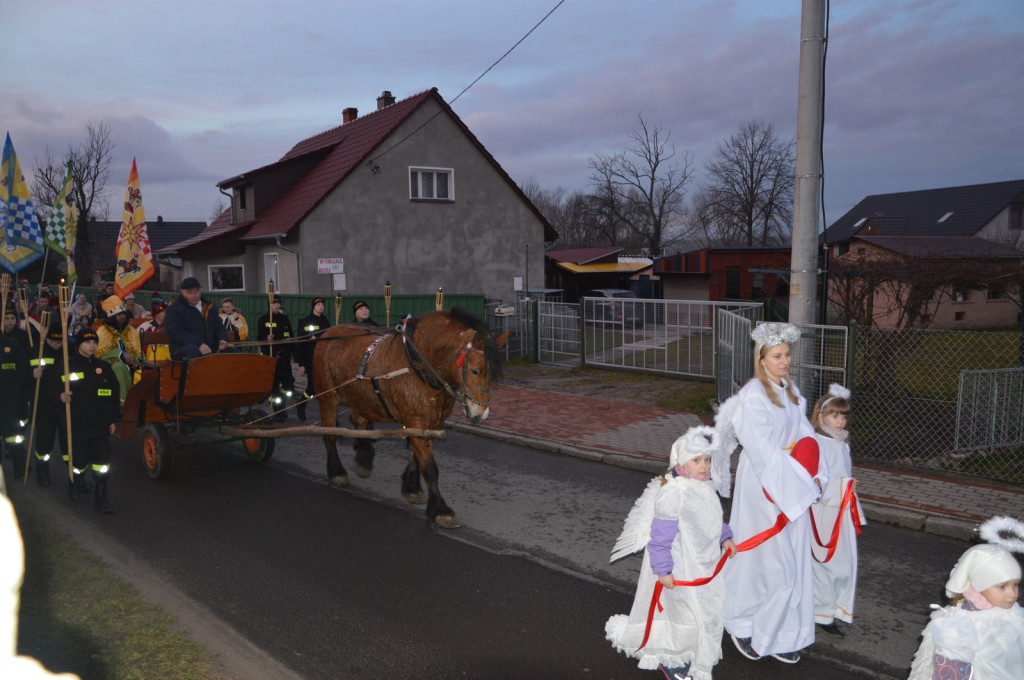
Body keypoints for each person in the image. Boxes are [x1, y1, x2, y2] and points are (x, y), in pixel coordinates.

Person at [719, 321, 828, 664]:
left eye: (787, 354)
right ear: (762, 359)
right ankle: (743, 624)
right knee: (765, 562)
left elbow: (807, 435)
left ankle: (779, 632)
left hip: (791, 480)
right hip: (765, 488)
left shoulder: (791, 392)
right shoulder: (752, 397)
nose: (785, 361)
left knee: (791, 563)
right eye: (777, 356)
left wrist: (816, 475)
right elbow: (763, 452)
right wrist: (795, 486)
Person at [606, 427, 737, 680]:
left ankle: (691, 648)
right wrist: (663, 570)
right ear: (681, 463)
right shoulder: (674, 492)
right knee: (682, 609)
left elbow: (712, 519)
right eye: (696, 460)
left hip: (702, 562)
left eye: (707, 460)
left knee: (702, 607)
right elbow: (659, 539)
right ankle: (670, 656)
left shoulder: (705, 486)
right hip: (679, 565)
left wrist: (725, 537)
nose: (704, 466)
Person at [908, 518, 1024, 679]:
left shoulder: (1012, 614)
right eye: (1002, 587)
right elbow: (950, 672)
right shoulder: (960, 627)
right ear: (980, 585)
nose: (1012, 594)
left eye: (1015, 585)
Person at [809, 383, 866, 637]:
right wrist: (843, 488)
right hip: (825, 514)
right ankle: (821, 611)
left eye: (843, 415)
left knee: (843, 563)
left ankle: (830, 607)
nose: (840, 421)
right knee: (825, 562)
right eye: (834, 415)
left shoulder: (841, 444)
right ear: (821, 417)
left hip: (840, 511)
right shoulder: (817, 444)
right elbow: (815, 483)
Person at [46, 327, 119, 512]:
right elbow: (52, 391)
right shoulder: (66, 366)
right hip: (76, 425)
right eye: (87, 342)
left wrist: (112, 420)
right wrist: (60, 397)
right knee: (78, 462)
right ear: (79, 345)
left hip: (100, 425)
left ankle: (101, 498)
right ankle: (75, 483)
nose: (92, 345)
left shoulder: (104, 368)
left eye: (94, 342)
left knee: (102, 464)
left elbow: (112, 396)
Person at [28, 324, 65, 487]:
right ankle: (42, 471)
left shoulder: (69, 352)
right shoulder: (35, 352)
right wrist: (32, 374)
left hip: (65, 403)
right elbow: (22, 375)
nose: (57, 344)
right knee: (44, 440)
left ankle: (76, 477)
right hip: (44, 403)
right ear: (46, 339)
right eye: (53, 341)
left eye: (60, 341)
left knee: (69, 441)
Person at [163, 277, 230, 360]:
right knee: (193, 351)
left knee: (235, 354)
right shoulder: (174, 309)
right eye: (189, 292)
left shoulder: (209, 306)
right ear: (182, 292)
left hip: (210, 348)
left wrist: (222, 339)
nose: (194, 295)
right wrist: (199, 344)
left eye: (196, 291)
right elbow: (175, 333)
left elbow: (219, 326)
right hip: (182, 350)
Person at [257, 296, 299, 421]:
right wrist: (266, 339)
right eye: (273, 303)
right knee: (274, 388)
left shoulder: (284, 318)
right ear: (269, 305)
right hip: (272, 359)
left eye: (278, 303)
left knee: (289, 388)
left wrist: (293, 354)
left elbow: (290, 336)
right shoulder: (264, 319)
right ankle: (278, 410)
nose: (276, 305)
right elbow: (259, 338)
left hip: (285, 358)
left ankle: (282, 404)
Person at [95, 295, 143, 405]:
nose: (122, 317)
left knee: (146, 371)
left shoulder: (131, 330)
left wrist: (136, 360)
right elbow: (99, 353)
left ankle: (140, 404)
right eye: (118, 315)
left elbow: (138, 350)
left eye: (123, 314)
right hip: (109, 364)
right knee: (119, 368)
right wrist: (121, 355)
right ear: (111, 317)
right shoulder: (103, 331)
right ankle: (123, 404)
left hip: (132, 364)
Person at [0, 328, 31, 480]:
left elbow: (23, 368)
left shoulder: (12, 344)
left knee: (14, 438)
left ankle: (20, 469)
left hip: (10, 402)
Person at [295, 297, 331, 421]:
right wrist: (301, 364)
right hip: (310, 359)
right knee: (311, 388)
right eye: (318, 304)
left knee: (325, 387)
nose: (321, 306)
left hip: (324, 360)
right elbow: (300, 343)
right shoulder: (305, 322)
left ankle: (330, 415)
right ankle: (301, 405)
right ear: (313, 307)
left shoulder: (326, 322)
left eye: (322, 304)